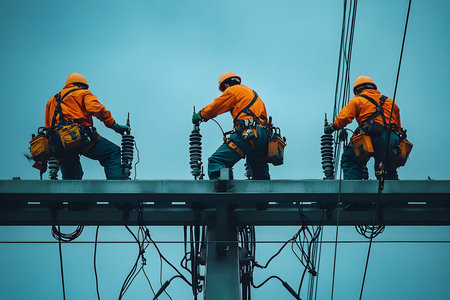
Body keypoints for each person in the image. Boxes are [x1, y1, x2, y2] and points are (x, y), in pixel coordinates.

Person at [45, 72, 129, 179]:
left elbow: (48, 125)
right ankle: (117, 190)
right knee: (112, 152)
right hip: (76, 136)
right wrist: (114, 125)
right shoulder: (83, 93)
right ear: (82, 86)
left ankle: (68, 195)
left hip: (57, 142)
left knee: (72, 176)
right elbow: (97, 109)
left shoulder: (52, 100)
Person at [192, 72, 270, 180]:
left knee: (216, 161)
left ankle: (222, 193)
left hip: (248, 133)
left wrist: (201, 115)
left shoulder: (233, 91)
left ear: (226, 85)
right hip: (263, 138)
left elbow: (217, 106)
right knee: (260, 178)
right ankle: (264, 195)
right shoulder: (251, 93)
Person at [324, 75, 402, 180]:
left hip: (372, 136)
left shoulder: (358, 100)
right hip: (392, 140)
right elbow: (398, 127)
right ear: (374, 88)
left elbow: (344, 118)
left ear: (357, 91)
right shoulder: (391, 103)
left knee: (350, 160)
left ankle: (353, 191)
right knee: (387, 168)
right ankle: (392, 193)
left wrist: (332, 127)